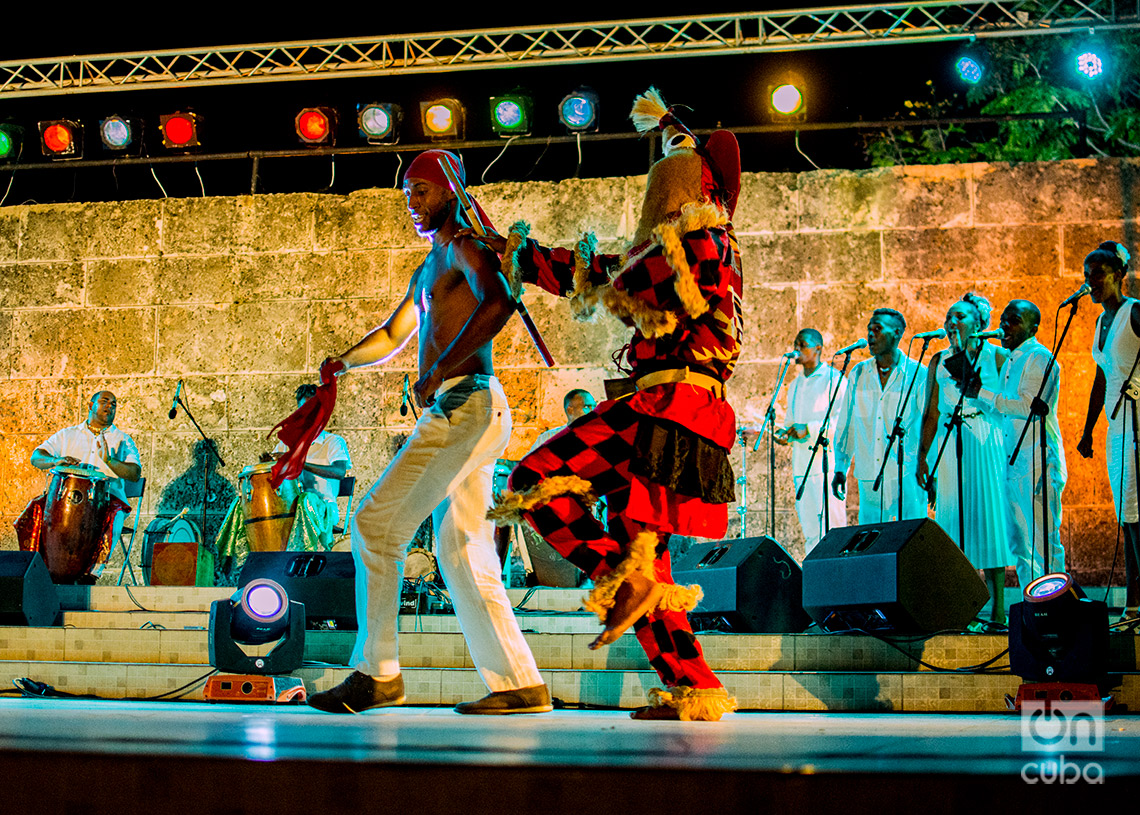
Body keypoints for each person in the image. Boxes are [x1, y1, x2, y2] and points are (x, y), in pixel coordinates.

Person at [485, 88, 739, 721]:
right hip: (679, 410)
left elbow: (616, 275)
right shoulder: (706, 249)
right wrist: (529, 260)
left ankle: (624, 579)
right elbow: (621, 273)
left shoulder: (702, 244)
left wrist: (526, 258)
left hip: (667, 408)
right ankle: (694, 686)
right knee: (643, 550)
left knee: (533, 479)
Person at [307, 149, 550, 716]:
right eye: (406, 195)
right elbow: (394, 332)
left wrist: (440, 369)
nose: (412, 203)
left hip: (465, 401)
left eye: (421, 190)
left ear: (448, 191)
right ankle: (519, 684)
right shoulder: (426, 268)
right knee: (460, 550)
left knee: (374, 524)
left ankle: (378, 673)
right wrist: (342, 361)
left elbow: (501, 300)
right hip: (468, 407)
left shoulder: (466, 246)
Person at [916, 293, 1012, 625]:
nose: (951, 323)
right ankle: (964, 606)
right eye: (948, 317)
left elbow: (1007, 405)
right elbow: (930, 411)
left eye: (960, 317)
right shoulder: (938, 360)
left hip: (984, 439)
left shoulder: (997, 357)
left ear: (979, 324)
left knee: (990, 518)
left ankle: (999, 607)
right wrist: (922, 457)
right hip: (948, 438)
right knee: (953, 521)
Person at [215, 384, 353, 576]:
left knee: (305, 501)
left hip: (321, 507)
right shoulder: (286, 443)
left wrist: (300, 463)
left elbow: (339, 472)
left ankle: (300, 567)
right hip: (286, 508)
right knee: (241, 505)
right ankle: (236, 567)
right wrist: (271, 466)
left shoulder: (333, 442)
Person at [975, 300, 1066, 591]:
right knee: (1021, 542)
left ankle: (1055, 607)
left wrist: (985, 394)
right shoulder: (1013, 360)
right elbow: (1003, 412)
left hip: (1036, 459)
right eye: (1003, 320)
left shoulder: (1039, 357)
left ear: (1033, 327)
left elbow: (1029, 406)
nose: (1004, 326)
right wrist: (977, 395)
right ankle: (1033, 605)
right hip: (1014, 460)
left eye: (1013, 320)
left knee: (1042, 540)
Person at [1078, 240, 1140, 622]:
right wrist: (1087, 430)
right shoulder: (1101, 321)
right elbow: (1101, 378)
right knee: (1127, 513)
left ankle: (1137, 601)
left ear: (1118, 275)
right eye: (1086, 276)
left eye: (1097, 274)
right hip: (1115, 427)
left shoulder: (1135, 313)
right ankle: (1133, 601)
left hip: (1137, 420)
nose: (1090, 283)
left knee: (1138, 515)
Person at [22, 391, 142, 580]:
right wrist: (56, 460)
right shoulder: (68, 434)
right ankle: (37, 568)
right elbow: (36, 457)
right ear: (90, 405)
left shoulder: (122, 439)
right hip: (66, 501)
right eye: (105, 401)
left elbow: (135, 474)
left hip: (107, 500)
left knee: (116, 516)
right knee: (34, 509)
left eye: (114, 404)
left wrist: (109, 461)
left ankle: (91, 574)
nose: (110, 406)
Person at [832, 309, 928, 524]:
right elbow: (847, 426)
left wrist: (929, 468)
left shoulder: (917, 374)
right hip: (870, 477)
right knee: (872, 541)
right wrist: (840, 467)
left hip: (906, 476)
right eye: (869, 329)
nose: (871, 334)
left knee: (909, 539)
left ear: (896, 333)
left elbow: (929, 425)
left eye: (877, 329)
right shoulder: (858, 373)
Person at [775, 329, 848, 555]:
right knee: (810, 531)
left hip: (826, 467)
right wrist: (785, 434)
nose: (797, 349)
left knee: (831, 529)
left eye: (803, 344)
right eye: (795, 344)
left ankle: (836, 581)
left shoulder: (834, 380)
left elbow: (842, 423)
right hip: (802, 466)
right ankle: (814, 581)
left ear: (818, 348)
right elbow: (790, 421)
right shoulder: (796, 384)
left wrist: (809, 428)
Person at [528, 388, 598, 452]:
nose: (593, 411)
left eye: (595, 406)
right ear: (570, 410)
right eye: (586, 407)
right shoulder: (548, 438)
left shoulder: (601, 438)